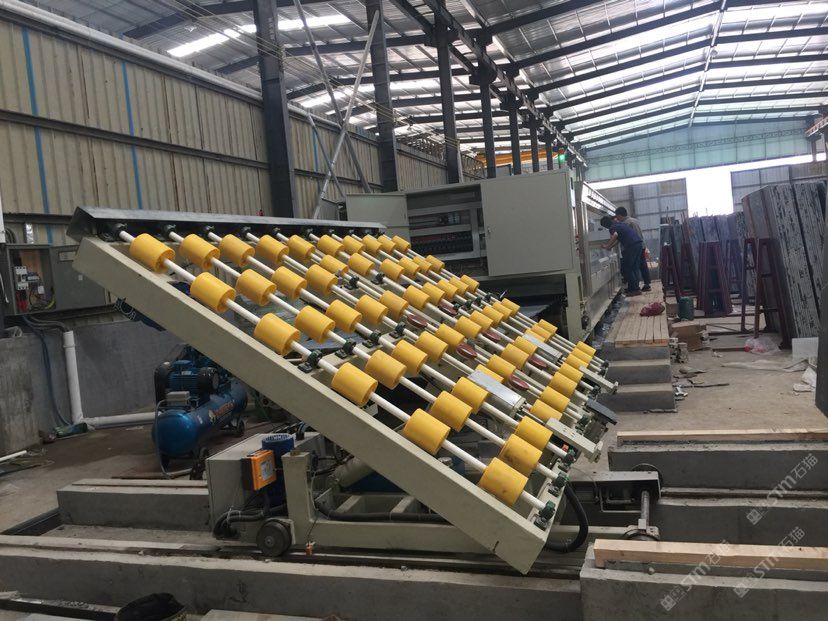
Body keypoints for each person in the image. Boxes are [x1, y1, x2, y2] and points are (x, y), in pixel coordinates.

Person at [600, 215, 643, 296]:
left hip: (631, 246)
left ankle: (635, 289)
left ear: (605, 225)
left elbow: (615, 235)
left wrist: (607, 246)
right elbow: (618, 240)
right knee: (634, 268)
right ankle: (633, 288)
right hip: (638, 244)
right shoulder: (620, 224)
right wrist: (610, 246)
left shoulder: (612, 228)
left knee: (627, 268)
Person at [614, 207, 651, 292]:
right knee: (642, 265)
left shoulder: (626, 223)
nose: (617, 218)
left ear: (620, 215)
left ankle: (634, 287)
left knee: (632, 267)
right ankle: (647, 284)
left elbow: (625, 236)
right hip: (641, 245)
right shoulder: (635, 220)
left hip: (632, 247)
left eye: (617, 216)